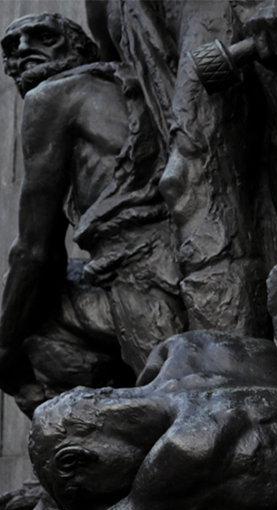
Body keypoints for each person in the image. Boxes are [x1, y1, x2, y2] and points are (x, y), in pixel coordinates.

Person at [0, 13, 186, 415]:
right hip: (180, 254)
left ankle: (86, 452)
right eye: (10, 47)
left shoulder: (52, 95)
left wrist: (3, 351)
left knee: (28, 309)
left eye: (42, 37)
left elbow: (36, 252)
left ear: (82, 48)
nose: (22, 50)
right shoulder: (131, 80)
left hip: (148, 274)